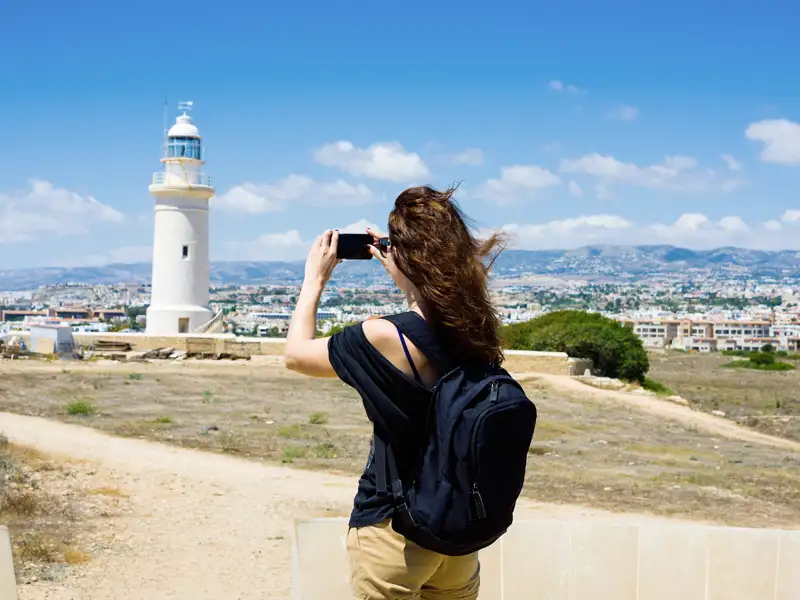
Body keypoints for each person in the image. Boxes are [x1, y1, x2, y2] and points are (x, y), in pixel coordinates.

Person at [284, 185, 507, 600]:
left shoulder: (383, 336)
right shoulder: (474, 331)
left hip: (395, 534)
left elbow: (296, 356)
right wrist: (408, 276)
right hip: (457, 535)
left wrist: (314, 279)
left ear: (404, 257)